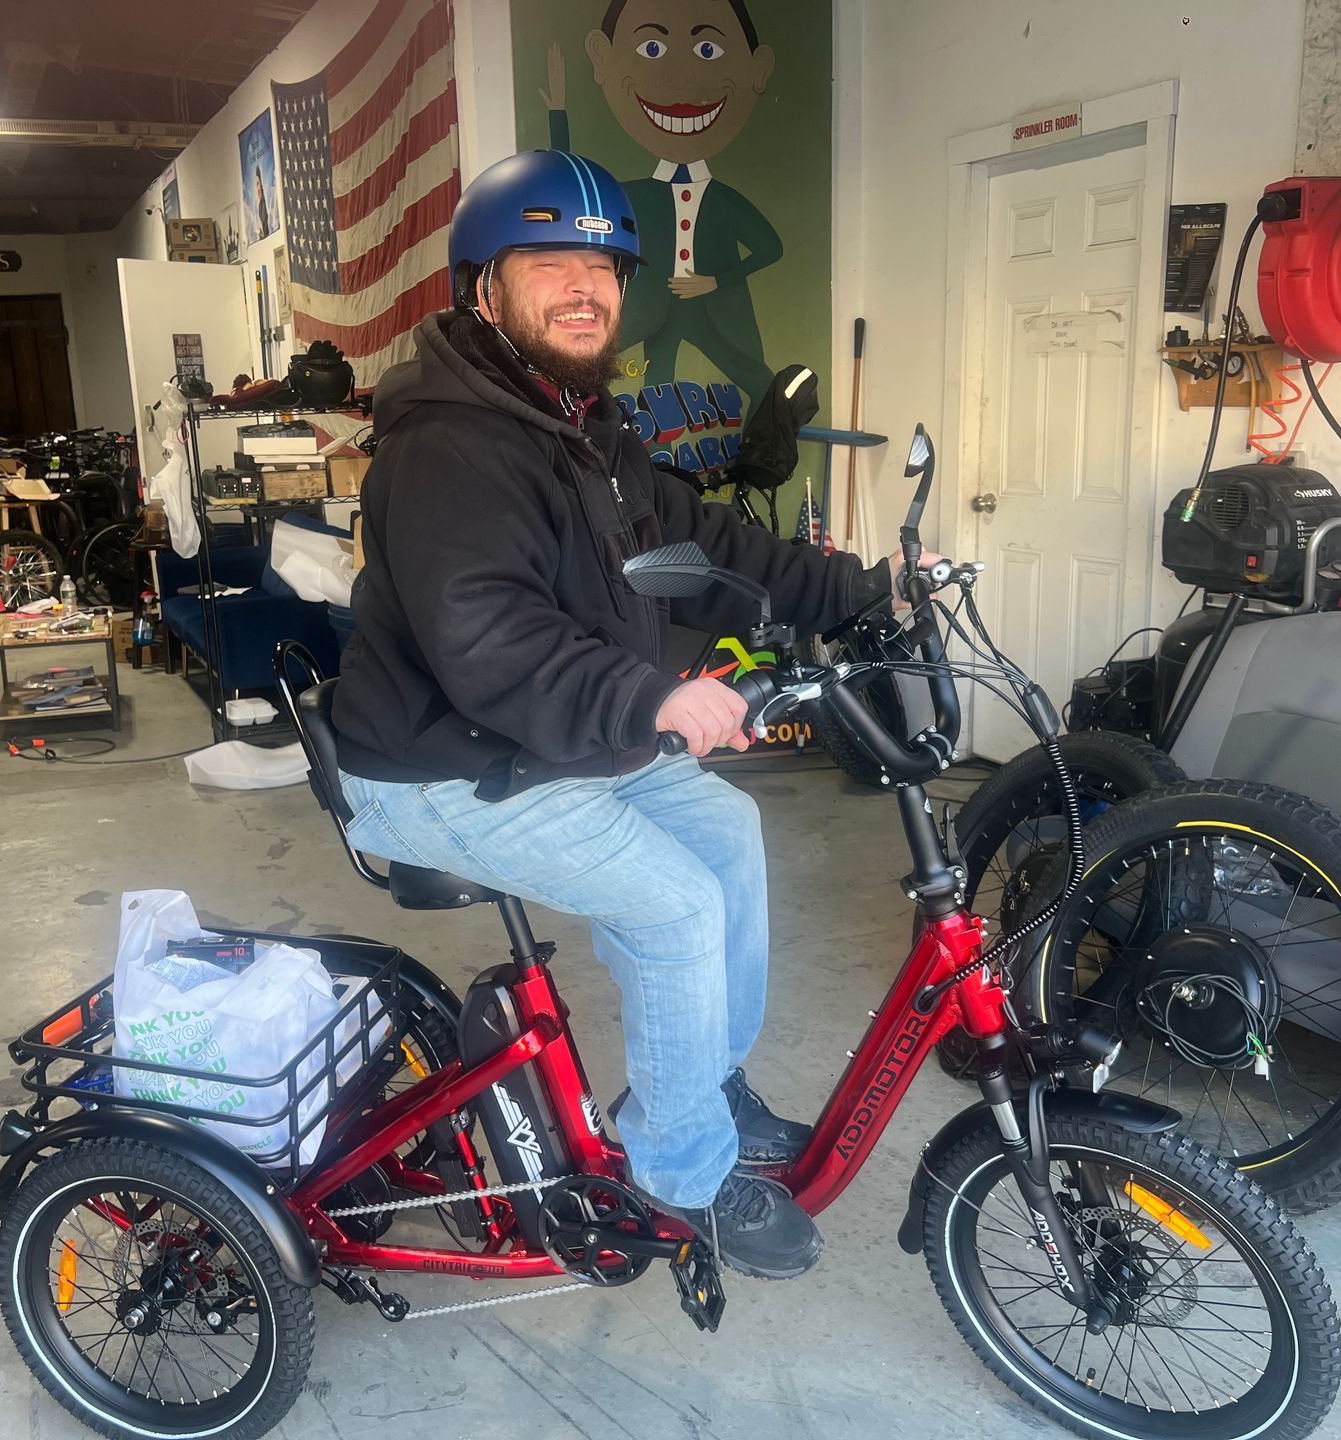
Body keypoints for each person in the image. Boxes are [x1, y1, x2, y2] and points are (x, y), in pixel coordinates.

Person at [331, 150, 904, 1280]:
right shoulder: (451, 447)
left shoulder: (583, 427)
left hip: (553, 743)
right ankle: (679, 1175)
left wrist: (870, 590)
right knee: (679, 906)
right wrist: (655, 695)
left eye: (604, 264)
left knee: (730, 837)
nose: (585, 285)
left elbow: (709, 548)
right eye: (551, 261)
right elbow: (487, 638)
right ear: (482, 287)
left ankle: (702, 1088)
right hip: (440, 769)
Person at [543, 0, 780, 406]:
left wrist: (716, 281)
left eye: (708, 51)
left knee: (759, 382)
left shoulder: (724, 200)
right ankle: (650, 463)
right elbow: (581, 191)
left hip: (709, 312)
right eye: (652, 49)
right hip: (654, 309)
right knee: (655, 391)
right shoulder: (636, 193)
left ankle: (761, 458)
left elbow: (771, 248)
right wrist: (558, 115)